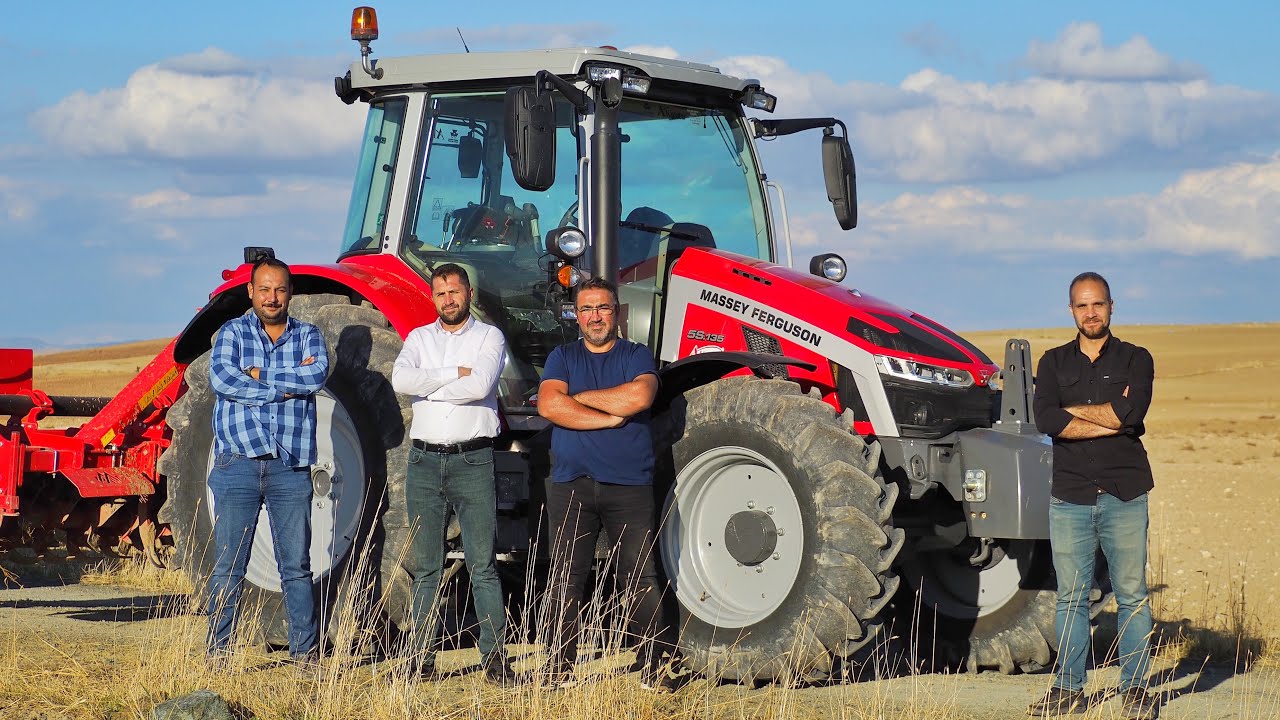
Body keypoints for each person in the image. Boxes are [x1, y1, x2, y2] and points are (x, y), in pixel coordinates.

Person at [536, 277, 679, 691]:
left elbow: (639, 397)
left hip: (629, 487)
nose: (594, 317)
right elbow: (548, 404)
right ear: (576, 316)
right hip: (572, 485)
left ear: (617, 313)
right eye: (586, 309)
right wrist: (610, 417)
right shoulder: (562, 356)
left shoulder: (636, 354)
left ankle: (653, 667)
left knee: (640, 577)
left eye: (602, 308)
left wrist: (579, 398)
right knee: (566, 578)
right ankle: (558, 669)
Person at [1029, 272, 1159, 719]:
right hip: (1071, 496)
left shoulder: (1136, 358)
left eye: (1098, 304)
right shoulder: (1052, 363)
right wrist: (1111, 419)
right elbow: (1047, 419)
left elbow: (1132, 412)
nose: (1091, 313)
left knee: (1132, 596)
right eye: (1082, 305)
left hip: (1125, 492)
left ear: (1111, 306)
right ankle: (1069, 690)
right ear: (1071, 310)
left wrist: (1077, 417)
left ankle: (1136, 691)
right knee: (1071, 597)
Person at [390, 263, 521, 686]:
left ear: (468, 293)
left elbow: (479, 386)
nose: (448, 299)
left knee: (482, 564)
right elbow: (400, 379)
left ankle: (494, 660)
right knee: (427, 567)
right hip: (425, 463)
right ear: (433, 297)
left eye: (455, 291)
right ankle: (420, 659)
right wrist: (452, 375)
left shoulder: (489, 337)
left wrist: (428, 385)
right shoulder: (418, 338)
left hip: (473, 461)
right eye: (441, 293)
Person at [206, 256, 329, 665]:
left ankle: (304, 656)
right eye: (264, 289)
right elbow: (223, 379)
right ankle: (218, 655)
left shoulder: (309, 335)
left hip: (290, 466)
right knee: (229, 566)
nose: (272, 297)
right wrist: (283, 387)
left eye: (279, 289)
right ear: (250, 292)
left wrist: (258, 374)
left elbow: (315, 376)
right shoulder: (231, 332)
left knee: (296, 567)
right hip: (238, 462)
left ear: (290, 292)